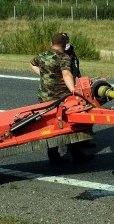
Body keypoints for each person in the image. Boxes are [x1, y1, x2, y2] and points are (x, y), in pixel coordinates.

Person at [30, 32, 90, 164]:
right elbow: (67, 74)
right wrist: (74, 91)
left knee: (50, 125)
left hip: (44, 97)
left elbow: (32, 63)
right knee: (70, 123)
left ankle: (53, 155)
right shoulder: (64, 57)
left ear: (51, 44)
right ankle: (75, 152)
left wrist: (44, 74)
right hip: (62, 97)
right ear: (64, 46)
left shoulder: (42, 55)